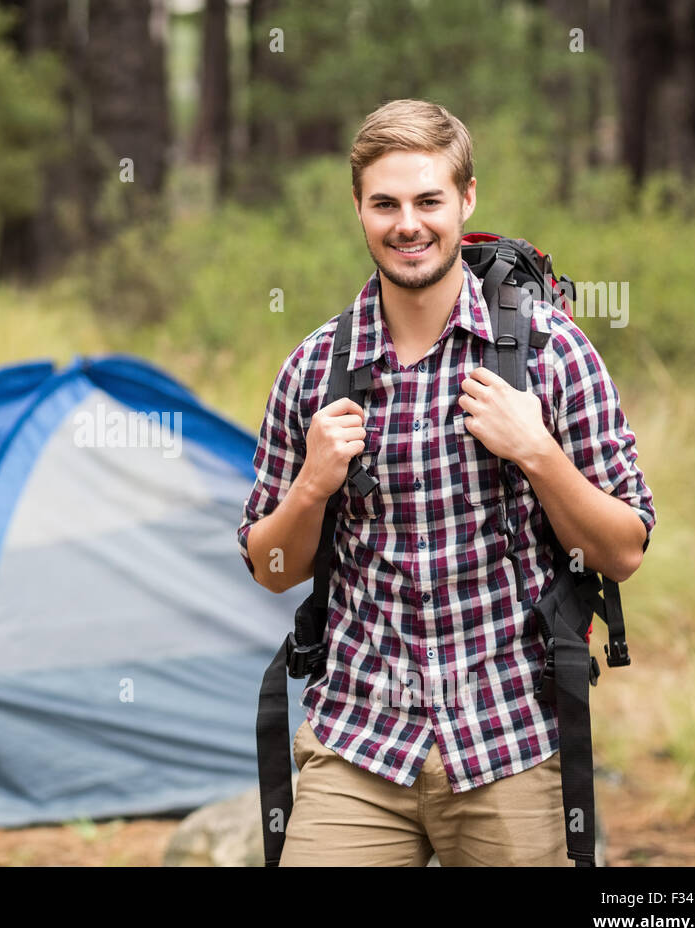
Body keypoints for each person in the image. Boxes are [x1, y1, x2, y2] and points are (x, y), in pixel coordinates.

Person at [238, 100, 655, 865]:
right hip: (357, 742)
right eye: (385, 203)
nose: (409, 224)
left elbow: (624, 550)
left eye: (429, 200)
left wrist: (537, 452)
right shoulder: (314, 369)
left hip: (511, 742)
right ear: (359, 209)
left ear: (466, 200)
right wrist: (311, 485)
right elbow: (273, 570)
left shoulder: (550, 352)